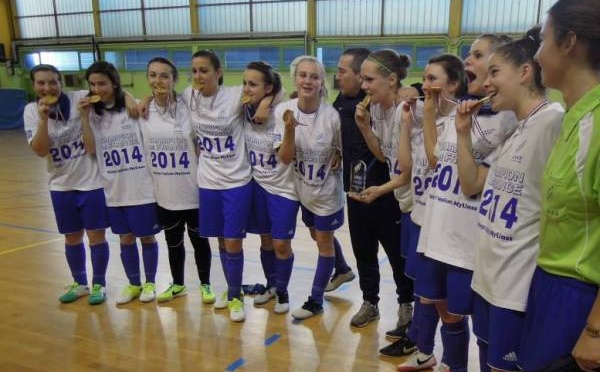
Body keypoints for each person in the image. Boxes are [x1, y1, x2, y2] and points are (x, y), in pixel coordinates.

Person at [455, 27, 564, 372]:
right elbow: (470, 183)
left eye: (495, 73)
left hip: (515, 288)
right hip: (487, 279)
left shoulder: (553, 122)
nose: (486, 83)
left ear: (525, 72)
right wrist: (461, 133)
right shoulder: (514, 129)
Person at [413, 35, 517, 372]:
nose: (467, 60)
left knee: (474, 320)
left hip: (467, 240)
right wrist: (429, 113)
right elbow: (433, 160)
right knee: (444, 309)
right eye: (468, 55)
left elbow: (473, 185)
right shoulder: (463, 111)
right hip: (437, 230)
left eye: (477, 55)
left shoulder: (506, 120)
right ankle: (453, 364)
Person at [518, 0, 600, 370]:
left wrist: (596, 329)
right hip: (548, 283)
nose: (536, 54)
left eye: (543, 40)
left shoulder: (596, 124)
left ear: (569, 42)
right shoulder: (571, 116)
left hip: (579, 295)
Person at [182, 50, 270, 322]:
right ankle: (231, 288)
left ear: (218, 73)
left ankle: (234, 296)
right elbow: (157, 97)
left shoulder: (234, 95)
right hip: (208, 183)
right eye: (195, 70)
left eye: (204, 70)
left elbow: (274, 89)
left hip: (236, 182)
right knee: (221, 239)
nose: (198, 76)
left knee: (233, 241)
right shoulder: (189, 96)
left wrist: (266, 101)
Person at [339, 48, 415, 331]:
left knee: (399, 256)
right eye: (362, 79)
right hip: (384, 191)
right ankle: (370, 302)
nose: (364, 86)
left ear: (392, 80)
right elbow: (384, 155)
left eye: (369, 79)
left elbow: (407, 171)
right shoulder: (378, 109)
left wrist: (379, 190)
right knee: (363, 252)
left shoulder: (408, 107)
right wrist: (365, 127)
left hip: (399, 197)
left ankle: (406, 305)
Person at [23, 64, 110, 305]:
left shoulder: (80, 98)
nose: (47, 87)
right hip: (60, 186)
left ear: (61, 82)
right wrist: (42, 120)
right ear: (34, 86)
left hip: (90, 183)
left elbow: (111, 96)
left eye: (52, 82)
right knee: (71, 238)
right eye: (41, 83)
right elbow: (40, 151)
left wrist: (84, 116)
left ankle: (99, 284)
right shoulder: (31, 111)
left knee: (96, 237)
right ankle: (80, 283)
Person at [80, 61, 160, 305]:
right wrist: (84, 118)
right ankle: (134, 284)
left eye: (102, 83)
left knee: (147, 237)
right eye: (92, 84)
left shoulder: (130, 106)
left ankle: (150, 283)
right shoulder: (92, 113)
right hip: (113, 190)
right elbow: (91, 149)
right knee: (125, 239)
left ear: (114, 83)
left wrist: (129, 97)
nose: (97, 89)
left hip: (141, 187)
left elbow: (150, 100)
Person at [139, 57, 215, 304]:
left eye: (164, 76)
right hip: (164, 194)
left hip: (192, 191)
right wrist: (142, 99)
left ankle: (206, 285)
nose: (158, 81)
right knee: (173, 244)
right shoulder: (142, 111)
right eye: (153, 75)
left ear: (174, 80)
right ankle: (178, 284)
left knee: (200, 243)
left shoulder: (189, 107)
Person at [275, 55, 344, 320]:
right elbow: (284, 158)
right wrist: (290, 131)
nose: (308, 80)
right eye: (303, 75)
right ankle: (343, 269)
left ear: (321, 82)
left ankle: (315, 300)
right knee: (318, 237)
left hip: (326, 194)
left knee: (323, 244)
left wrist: (339, 154)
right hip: (303, 191)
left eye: (314, 76)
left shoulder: (332, 117)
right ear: (295, 78)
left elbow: (343, 150)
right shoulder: (284, 111)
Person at [242, 61, 298, 314]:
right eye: (245, 83)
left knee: (281, 245)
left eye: (252, 84)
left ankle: (283, 290)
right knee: (265, 242)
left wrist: (267, 103)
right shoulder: (242, 109)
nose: (246, 88)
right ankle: (271, 285)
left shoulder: (281, 110)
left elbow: (284, 92)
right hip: (256, 186)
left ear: (268, 88)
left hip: (284, 189)